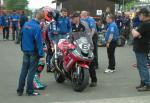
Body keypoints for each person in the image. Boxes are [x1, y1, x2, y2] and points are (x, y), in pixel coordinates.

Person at [16, 8, 45, 96]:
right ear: (41, 19)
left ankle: (20, 90)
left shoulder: (26, 24)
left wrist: (23, 48)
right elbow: (39, 42)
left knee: (23, 71)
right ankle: (30, 91)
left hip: (26, 50)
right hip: (33, 52)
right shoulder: (37, 27)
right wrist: (42, 55)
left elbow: (21, 36)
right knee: (31, 72)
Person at [132, 8, 150, 91]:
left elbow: (135, 34)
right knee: (140, 66)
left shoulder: (146, 24)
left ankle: (147, 84)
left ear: (143, 15)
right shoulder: (144, 23)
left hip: (142, 48)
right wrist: (137, 34)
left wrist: (134, 30)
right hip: (141, 47)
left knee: (142, 66)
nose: (138, 16)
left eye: (139, 14)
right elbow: (137, 35)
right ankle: (143, 82)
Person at [80, 11, 98, 87]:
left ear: (85, 15)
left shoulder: (90, 20)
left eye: (81, 15)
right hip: (82, 40)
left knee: (91, 56)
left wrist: (89, 37)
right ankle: (82, 78)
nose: (80, 16)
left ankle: (94, 79)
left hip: (91, 37)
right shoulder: (80, 21)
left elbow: (93, 30)